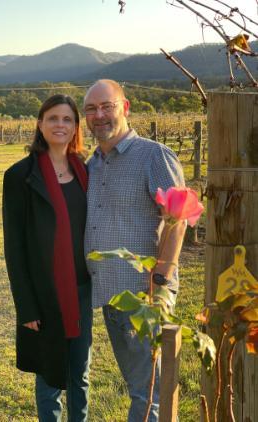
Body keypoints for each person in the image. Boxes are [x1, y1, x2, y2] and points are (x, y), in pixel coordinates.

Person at [84, 80, 187, 421]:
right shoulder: (93, 164)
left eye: (106, 106)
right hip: (111, 296)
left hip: (144, 294)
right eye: (91, 109)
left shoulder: (153, 155)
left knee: (148, 394)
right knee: (139, 387)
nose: (99, 115)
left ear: (125, 108)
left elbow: (178, 219)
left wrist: (159, 282)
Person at [2, 94, 92, 422]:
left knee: (80, 374)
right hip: (44, 293)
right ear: (40, 124)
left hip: (82, 289)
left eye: (67, 119)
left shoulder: (85, 171)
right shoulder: (20, 177)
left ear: (75, 127)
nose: (60, 125)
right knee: (50, 375)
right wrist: (26, 307)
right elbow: (15, 248)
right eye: (53, 118)